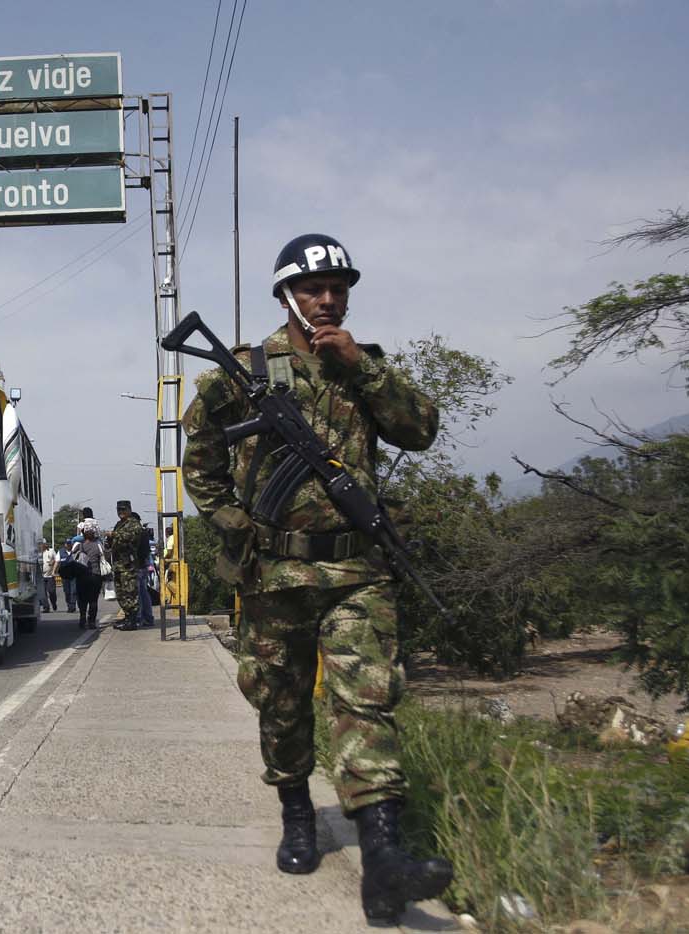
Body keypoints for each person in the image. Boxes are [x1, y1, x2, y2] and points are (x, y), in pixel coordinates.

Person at [181, 233, 452, 925]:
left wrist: (360, 366)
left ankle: (385, 861)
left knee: (366, 701)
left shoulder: (366, 366)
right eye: (313, 289)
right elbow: (200, 462)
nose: (327, 299)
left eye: (338, 287)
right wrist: (239, 524)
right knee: (282, 703)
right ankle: (298, 812)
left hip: (356, 569)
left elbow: (420, 429)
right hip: (274, 573)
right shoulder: (241, 371)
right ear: (286, 296)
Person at [108, 500, 143, 630]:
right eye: (119, 510)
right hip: (118, 564)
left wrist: (114, 534)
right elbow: (114, 541)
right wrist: (110, 539)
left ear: (129, 509)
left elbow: (130, 536)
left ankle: (132, 620)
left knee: (130, 593)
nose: (121, 512)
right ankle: (127, 617)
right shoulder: (119, 524)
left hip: (128, 565)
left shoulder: (134, 524)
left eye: (123, 509)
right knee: (121, 593)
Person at [70, 523, 106, 629]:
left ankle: (82, 618)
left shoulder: (79, 544)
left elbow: (71, 555)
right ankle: (91, 621)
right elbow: (104, 556)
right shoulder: (98, 545)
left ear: (83, 534)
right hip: (96, 576)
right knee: (93, 599)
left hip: (82, 576)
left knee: (82, 599)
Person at [131, 513, 156, 627]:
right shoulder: (144, 533)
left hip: (138, 566)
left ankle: (139, 618)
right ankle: (148, 617)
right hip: (144, 566)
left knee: (139, 594)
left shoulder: (137, 534)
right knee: (144, 592)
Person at [57, 538, 77, 610]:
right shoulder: (60, 552)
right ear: (65, 544)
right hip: (65, 575)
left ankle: (73, 606)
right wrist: (54, 571)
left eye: (69, 543)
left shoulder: (75, 551)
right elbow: (57, 562)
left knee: (74, 591)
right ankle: (69, 604)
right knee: (67, 591)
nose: (68, 545)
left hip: (73, 574)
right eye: (67, 543)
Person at [38, 540, 58, 611]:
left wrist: (53, 563)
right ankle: (46, 607)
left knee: (51, 591)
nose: (42, 545)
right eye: (40, 544)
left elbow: (57, 560)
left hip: (50, 575)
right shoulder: (37, 553)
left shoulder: (51, 551)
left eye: (43, 544)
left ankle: (54, 603)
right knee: (43, 592)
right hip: (41, 576)